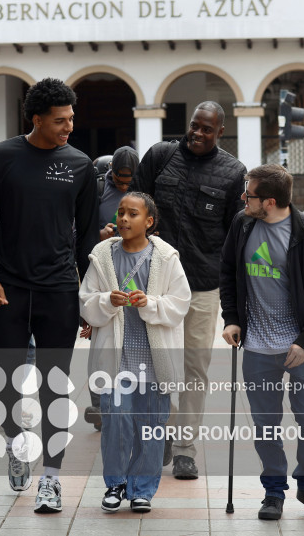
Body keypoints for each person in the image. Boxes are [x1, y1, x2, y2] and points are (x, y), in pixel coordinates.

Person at [0, 77, 99, 513]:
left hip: (59, 288)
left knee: (55, 384)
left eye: (71, 120)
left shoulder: (80, 165)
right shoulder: (2, 156)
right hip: (8, 288)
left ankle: (51, 479)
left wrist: (87, 295)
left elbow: (85, 239)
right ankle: (14, 443)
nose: (68, 127)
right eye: (60, 120)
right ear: (37, 118)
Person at [132, 101, 245, 480]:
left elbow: (235, 239)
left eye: (206, 129)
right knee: (152, 366)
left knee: (194, 368)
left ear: (220, 133)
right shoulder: (161, 156)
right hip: (153, 286)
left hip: (202, 286)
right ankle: (156, 433)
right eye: (194, 126)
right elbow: (133, 207)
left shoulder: (233, 173)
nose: (197, 134)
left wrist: (235, 304)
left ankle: (184, 448)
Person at [220, 164, 304, 521]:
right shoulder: (242, 225)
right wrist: (232, 318)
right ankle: (273, 491)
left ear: (269, 201)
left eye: (249, 194)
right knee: (266, 424)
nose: (244, 198)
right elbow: (227, 272)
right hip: (256, 345)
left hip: (302, 347)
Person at [80, 192, 191, 514]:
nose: (125, 220)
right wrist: (106, 301)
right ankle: (115, 483)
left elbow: (180, 303)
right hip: (116, 358)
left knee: (151, 425)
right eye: (121, 213)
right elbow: (86, 299)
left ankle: (142, 489)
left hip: (155, 360)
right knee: (116, 420)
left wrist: (150, 304)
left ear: (149, 221)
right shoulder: (102, 256)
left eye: (133, 214)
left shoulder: (167, 258)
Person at [84, 145, 140, 432]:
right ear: (111, 172)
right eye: (120, 179)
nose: (125, 184)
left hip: (132, 271)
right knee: (99, 340)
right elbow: (77, 230)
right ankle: (99, 401)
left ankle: (124, 399)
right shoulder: (96, 189)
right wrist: (100, 234)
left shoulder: (142, 189)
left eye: (129, 179)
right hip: (102, 273)